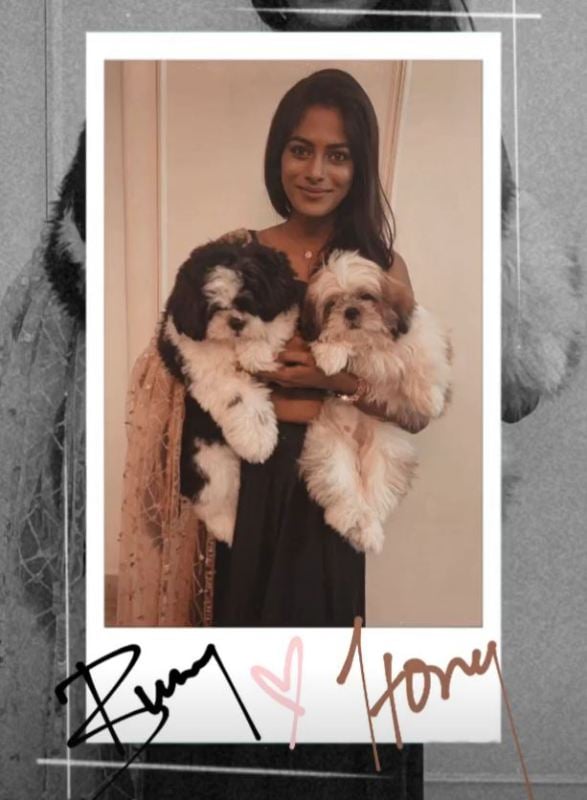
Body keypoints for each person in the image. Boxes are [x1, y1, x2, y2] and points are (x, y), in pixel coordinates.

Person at [211, 68, 424, 627]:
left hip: (333, 488)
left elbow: (416, 410)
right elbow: (197, 372)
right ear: (278, 154)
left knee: (318, 653)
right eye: (301, 150)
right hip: (246, 482)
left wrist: (333, 382)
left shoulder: (380, 270)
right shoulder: (240, 254)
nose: (315, 172)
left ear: (360, 167)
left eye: (339, 156)